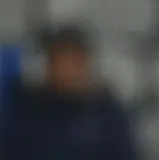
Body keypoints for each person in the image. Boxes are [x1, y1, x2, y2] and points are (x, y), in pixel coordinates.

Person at [1, 25, 139, 160]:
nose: (67, 71)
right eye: (59, 62)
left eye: (74, 62)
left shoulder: (107, 114)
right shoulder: (27, 110)